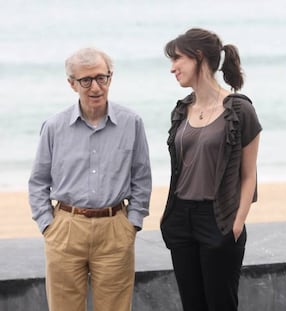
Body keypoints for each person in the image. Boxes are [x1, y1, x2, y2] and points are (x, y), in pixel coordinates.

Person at [28, 47, 152, 311]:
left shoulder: (132, 123)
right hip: (65, 229)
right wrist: (47, 225)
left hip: (115, 229)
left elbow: (142, 177)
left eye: (101, 78)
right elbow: (38, 181)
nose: (95, 87)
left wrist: (132, 224)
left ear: (110, 78)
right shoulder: (54, 127)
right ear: (72, 84)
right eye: (86, 80)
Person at [160, 28, 262, 311]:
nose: (173, 68)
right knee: (193, 305)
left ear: (199, 57)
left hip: (218, 218)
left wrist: (237, 223)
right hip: (181, 217)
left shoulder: (240, 110)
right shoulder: (182, 110)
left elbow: (249, 175)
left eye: (177, 59)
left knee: (221, 304)